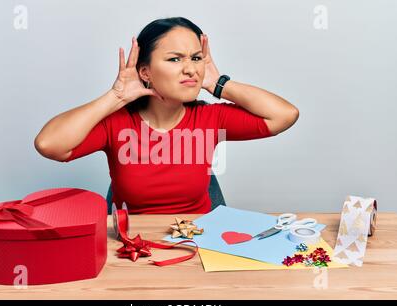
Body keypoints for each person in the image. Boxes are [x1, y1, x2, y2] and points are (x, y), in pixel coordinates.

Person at [34, 17, 299, 215]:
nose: (190, 69)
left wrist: (217, 83)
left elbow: (284, 115)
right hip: (132, 247)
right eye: (174, 59)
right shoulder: (117, 123)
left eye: (196, 58)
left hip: (197, 245)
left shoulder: (210, 118)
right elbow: (49, 144)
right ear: (145, 72)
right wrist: (116, 96)